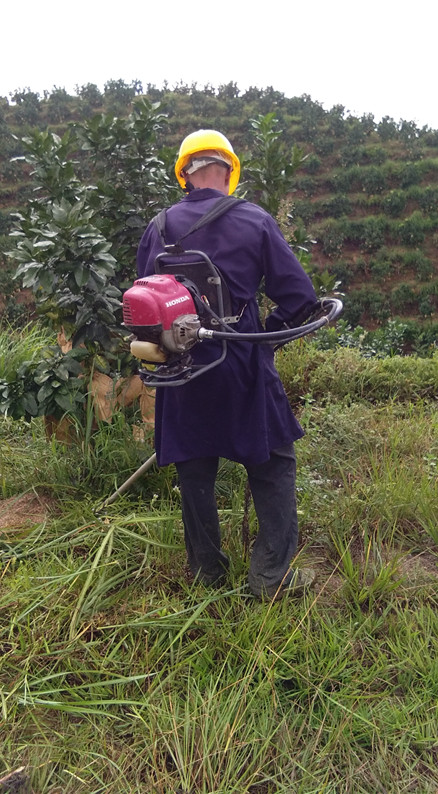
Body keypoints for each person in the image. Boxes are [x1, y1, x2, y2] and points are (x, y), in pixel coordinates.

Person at [136, 129, 319, 599]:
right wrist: (262, 338)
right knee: (272, 462)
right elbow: (300, 299)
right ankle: (270, 579)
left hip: (180, 369)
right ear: (228, 171)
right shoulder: (254, 220)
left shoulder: (158, 226)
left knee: (193, 467)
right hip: (242, 366)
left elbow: (144, 302)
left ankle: (206, 575)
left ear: (185, 174)